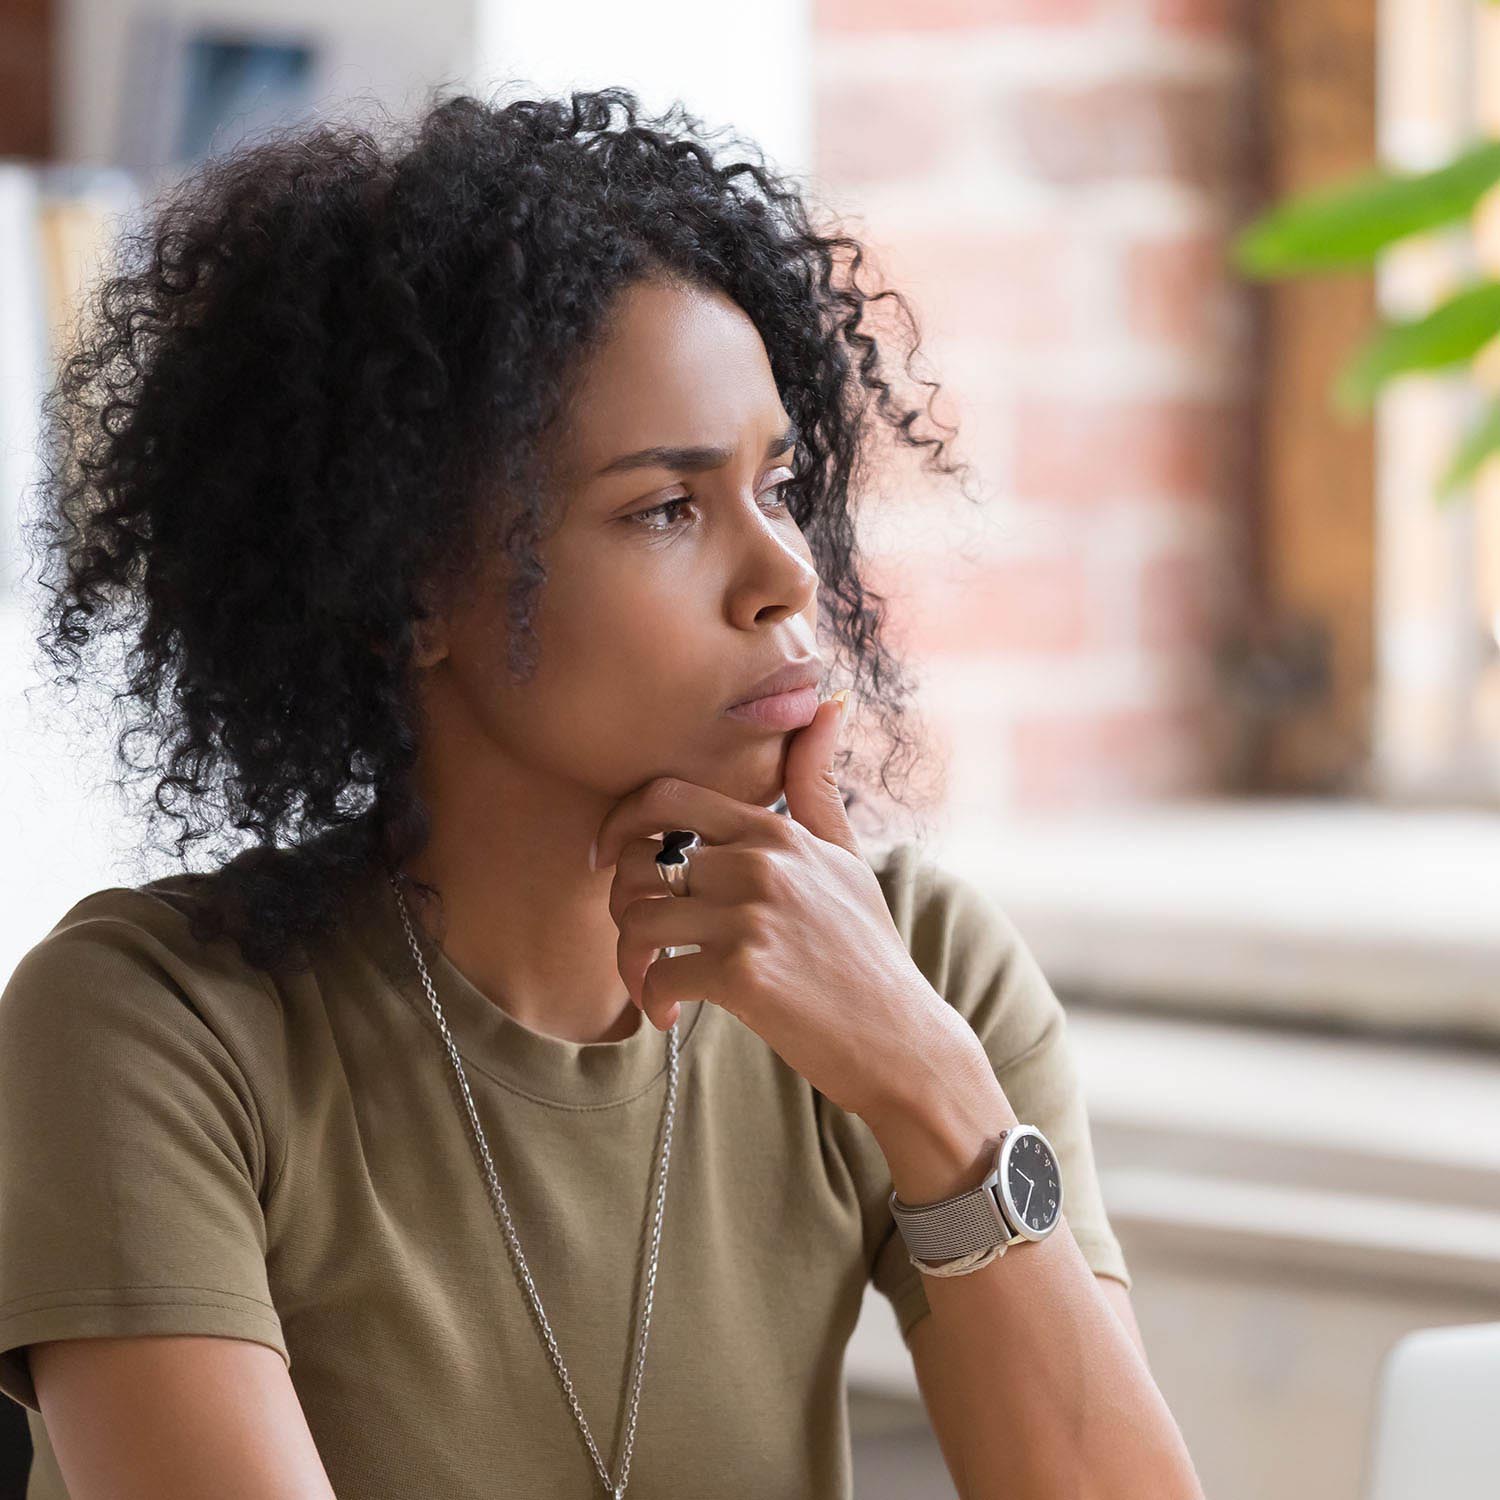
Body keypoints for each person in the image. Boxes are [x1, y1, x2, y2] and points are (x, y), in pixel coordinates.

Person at [0, 87, 1201, 1499]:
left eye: (781, 483)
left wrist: (934, 1094)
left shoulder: (911, 970)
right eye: (665, 509)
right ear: (413, 589)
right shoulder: (155, 1033)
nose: (787, 576)